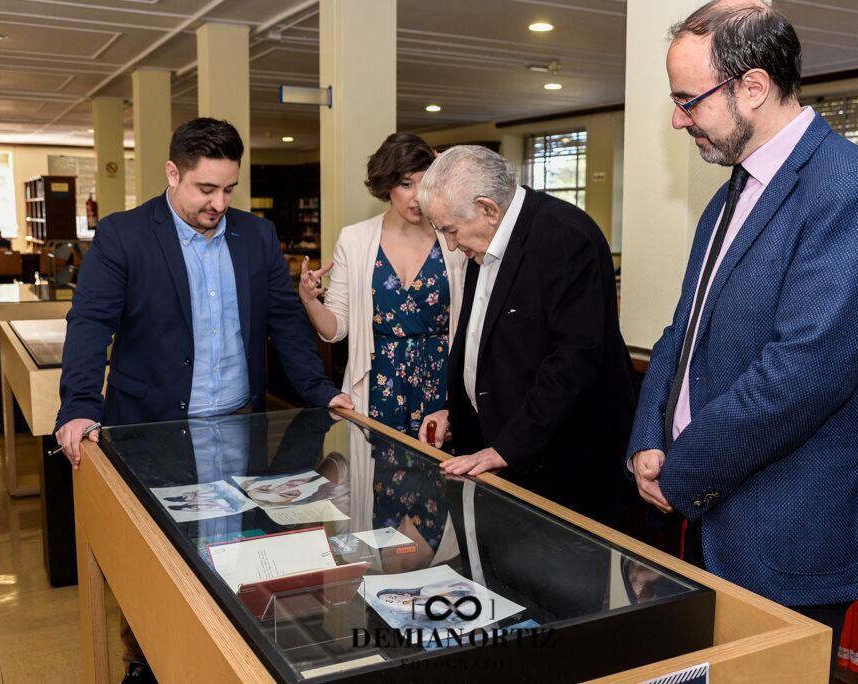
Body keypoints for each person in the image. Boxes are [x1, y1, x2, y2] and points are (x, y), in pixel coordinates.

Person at [626, 1, 858, 674]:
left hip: (792, 528)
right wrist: (649, 437)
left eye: (688, 100)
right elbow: (684, 329)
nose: (678, 119)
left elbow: (801, 374)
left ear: (752, 88)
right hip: (713, 507)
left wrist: (683, 472)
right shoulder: (730, 192)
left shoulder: (851, 186)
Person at [55, 117, 351, 683]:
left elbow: (286, 322)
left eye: (228, 189)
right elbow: (91, 322)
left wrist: (321, 391)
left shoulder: (256, 235)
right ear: (172, 173)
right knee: (157, 560)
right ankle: (145, 662)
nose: (218, 203)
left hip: (241, 427)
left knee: (240, 543)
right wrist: (79, 406)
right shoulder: (123, 235)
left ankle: (228, 657)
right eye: (205, 189)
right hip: (152, 429)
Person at [416, 145, 637, 531]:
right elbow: (485, 342)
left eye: (450, 230)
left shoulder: (566, 237)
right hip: (495, 455)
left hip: (559, 472)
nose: (449, 245)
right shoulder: (483, 240)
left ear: (488, 209)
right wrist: (457, 410)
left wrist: (507, 448)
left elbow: (574, 362)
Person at [298, 132, 465, 435]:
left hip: (443, 388)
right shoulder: (355, 239)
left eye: (425, 183)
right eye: (405, 184)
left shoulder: (454, 236)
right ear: (387, 185)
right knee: (379, 476)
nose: (417, 196)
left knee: (445, 474)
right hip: (378, 384)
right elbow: (334, 330)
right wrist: (310, 300)